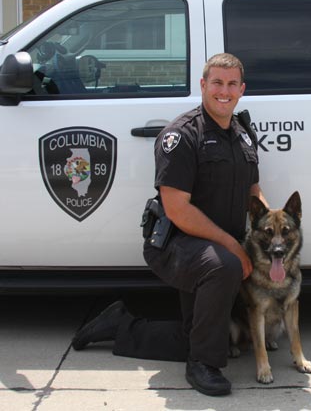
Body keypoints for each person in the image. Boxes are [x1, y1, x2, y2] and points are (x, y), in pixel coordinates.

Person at [72, 53, 266, 396]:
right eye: (217, 83)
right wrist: (234, 247)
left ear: (242, 89)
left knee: (205, 335)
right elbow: (177, 209)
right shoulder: (182, 135)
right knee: (224, 273)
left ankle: (119, 325)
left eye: (232, 84)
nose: (225, 91)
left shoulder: (242, 135)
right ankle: (203, 366)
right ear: (203, 86)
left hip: (216, 251)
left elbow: (254, 190)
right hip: (177, 245)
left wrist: (272, 225)